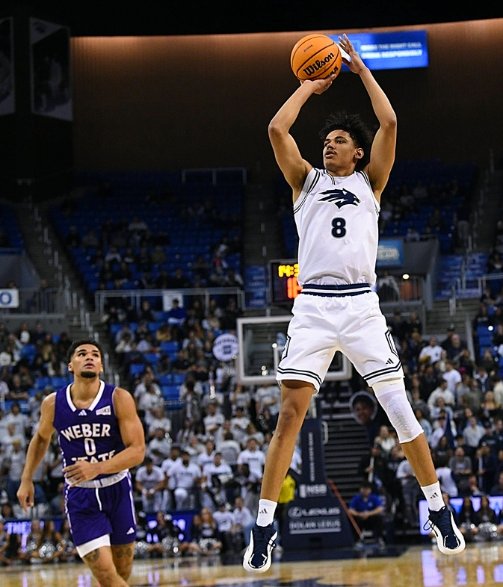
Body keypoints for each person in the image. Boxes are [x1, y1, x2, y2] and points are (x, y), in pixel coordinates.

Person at [242, 34, 465, 574]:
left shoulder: (372, 182)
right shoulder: (304, 181)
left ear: (357, 152)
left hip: (362, 308)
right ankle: (265, 525)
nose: (329, 145)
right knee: (289, 417)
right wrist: (307, 87)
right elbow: (276, 130)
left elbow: (389, 124)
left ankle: (438, 510)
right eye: (327, 140)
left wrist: (362, 72)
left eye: (339, 140)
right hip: (314, 309)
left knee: (400, 410)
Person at [17, 339, 145, 586]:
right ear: (70, 365)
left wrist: (96, 467)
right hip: (81, 496)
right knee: (107, 577)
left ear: (101, 366)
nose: (89, 357)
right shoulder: (53, 403)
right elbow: (41, 439)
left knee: (121, 572)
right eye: (82, 354)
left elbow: (137, 451)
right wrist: (26, 479)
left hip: (117, 489)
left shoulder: (119, 398)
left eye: (95, 354)